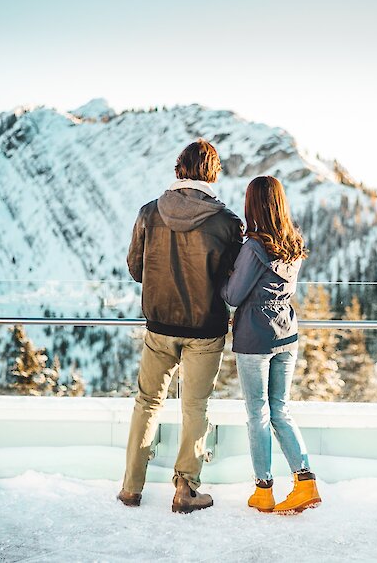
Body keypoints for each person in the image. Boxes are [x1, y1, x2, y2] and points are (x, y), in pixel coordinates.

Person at [118, 139, 244, 514]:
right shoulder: (226, 223)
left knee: (146, 403)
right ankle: (185, 490)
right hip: (206, 329)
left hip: (159, 325)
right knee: (195, 407)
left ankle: (130, 488)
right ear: (213, 173)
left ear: (178, 170)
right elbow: (233, 283)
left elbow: (136, 269)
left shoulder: (148, 213)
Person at [221, 175, 321, 514]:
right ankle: (304, 481)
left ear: (253, 206)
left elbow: (234, 295)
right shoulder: (292, 243)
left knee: (258, 413)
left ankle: (264, 490)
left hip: (254, 337)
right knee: (281, 409)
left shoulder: (253, 247)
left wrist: (224, 275)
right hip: (286, 333)